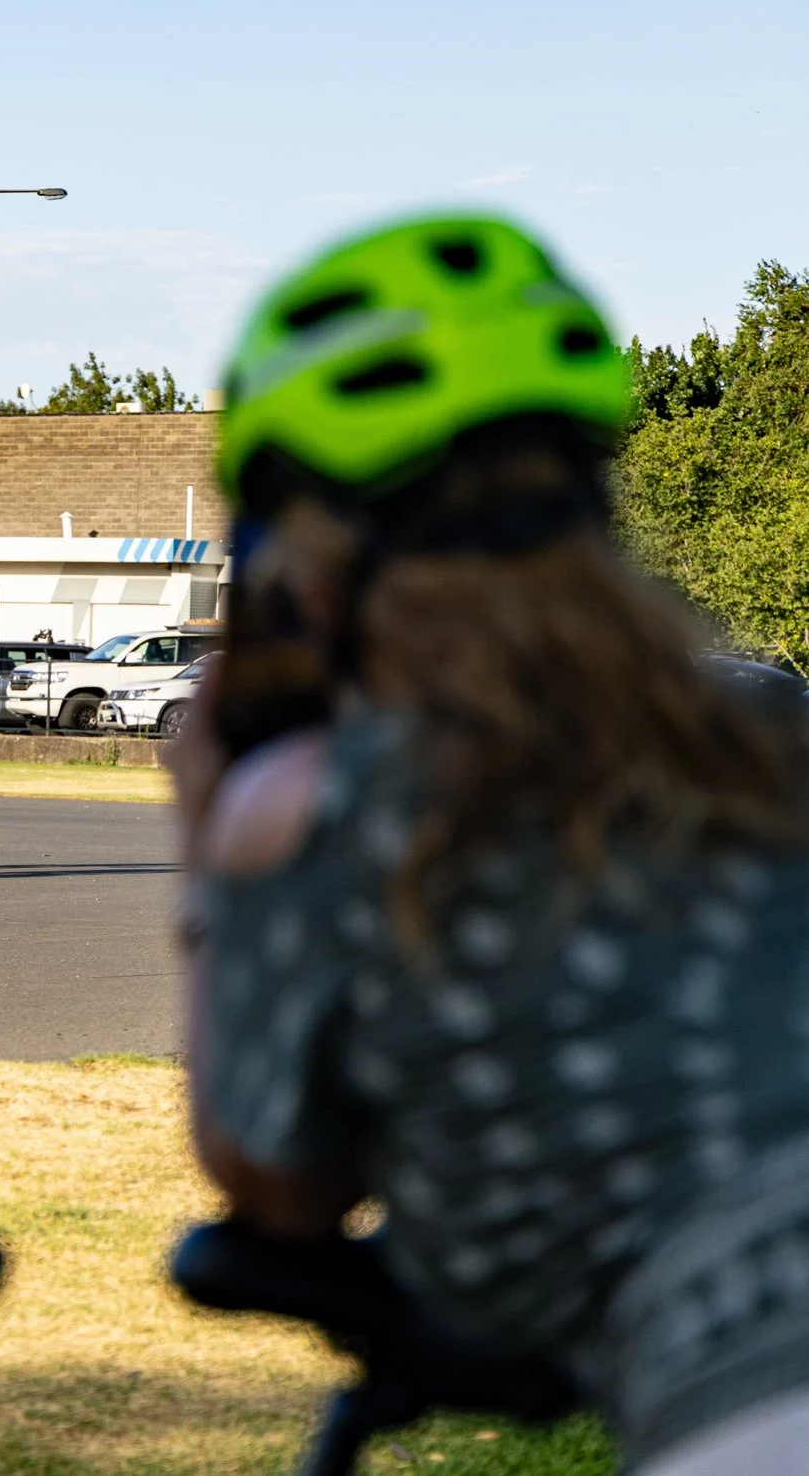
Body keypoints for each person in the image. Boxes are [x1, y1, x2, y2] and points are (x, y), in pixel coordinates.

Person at [172, 213, 809, 1475]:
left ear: (307, 554)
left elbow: (273, 1182)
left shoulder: (322, 800)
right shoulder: (776, 730)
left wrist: (209, 826)